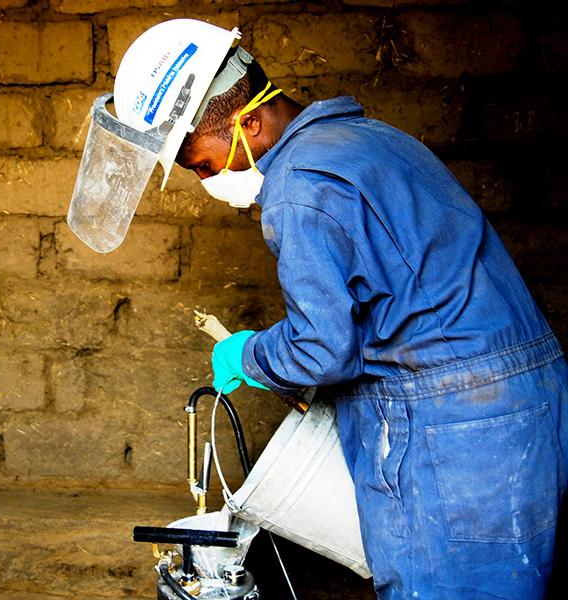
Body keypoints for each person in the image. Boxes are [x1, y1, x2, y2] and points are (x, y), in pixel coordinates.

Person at [68, 19, 568, 599]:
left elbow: (323, 348)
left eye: (202, 164)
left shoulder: (300, 185)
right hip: (523, 407)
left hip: (454, 430)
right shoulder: (372, 140)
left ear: (247, 123)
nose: (208, 179)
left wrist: (249, 355)